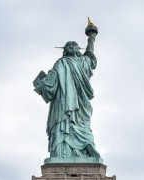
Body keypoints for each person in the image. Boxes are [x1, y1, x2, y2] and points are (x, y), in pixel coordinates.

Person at [33, 21, 101, 160]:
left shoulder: (83, 62)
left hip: (80, 100)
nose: (71, 46)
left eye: (74, 45)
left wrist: (91, 37)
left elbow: (90, 55)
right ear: (65, 50)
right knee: (63, 123)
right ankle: (61, 153)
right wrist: (43, 84)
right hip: (63, 100)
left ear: (78, 49)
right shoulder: (61, 63)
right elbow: (51, 81)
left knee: (82, 124)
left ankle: (87, 147)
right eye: (68, 45)